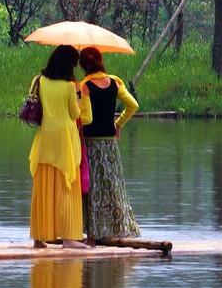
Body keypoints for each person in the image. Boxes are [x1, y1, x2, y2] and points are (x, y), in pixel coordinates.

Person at [29, 45, 91, 249]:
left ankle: (39, 237)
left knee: (43, 188)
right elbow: (74, 115)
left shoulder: (39, 80)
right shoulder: (69, 86)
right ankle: (69, 237)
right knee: (67, 188)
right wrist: (81, 97)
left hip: (45, 138)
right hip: (65, 139)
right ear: (69, 65)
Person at [77, 47, 141, 243]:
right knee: (113, 186)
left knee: (92, 187)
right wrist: (118, 124)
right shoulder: (115, 82)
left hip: (91, 144)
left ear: (83, 65)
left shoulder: (84, 85)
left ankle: (92, 235)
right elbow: (133, 106)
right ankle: (118, 228)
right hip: (110, 144)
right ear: (100, 61)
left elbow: (86, 119)